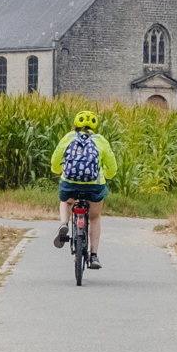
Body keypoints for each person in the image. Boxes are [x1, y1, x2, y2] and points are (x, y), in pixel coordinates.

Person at [51, 111, 113, 266]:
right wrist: (108, 174)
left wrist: (57, 170)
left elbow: (56, 158)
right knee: (94, 217)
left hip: (70, 182)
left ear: (76, 125)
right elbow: (112, 166)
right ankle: (93, 255)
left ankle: (64, 223)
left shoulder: (68, 137)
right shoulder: (101, 141)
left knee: (66, 201)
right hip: (94, 184)